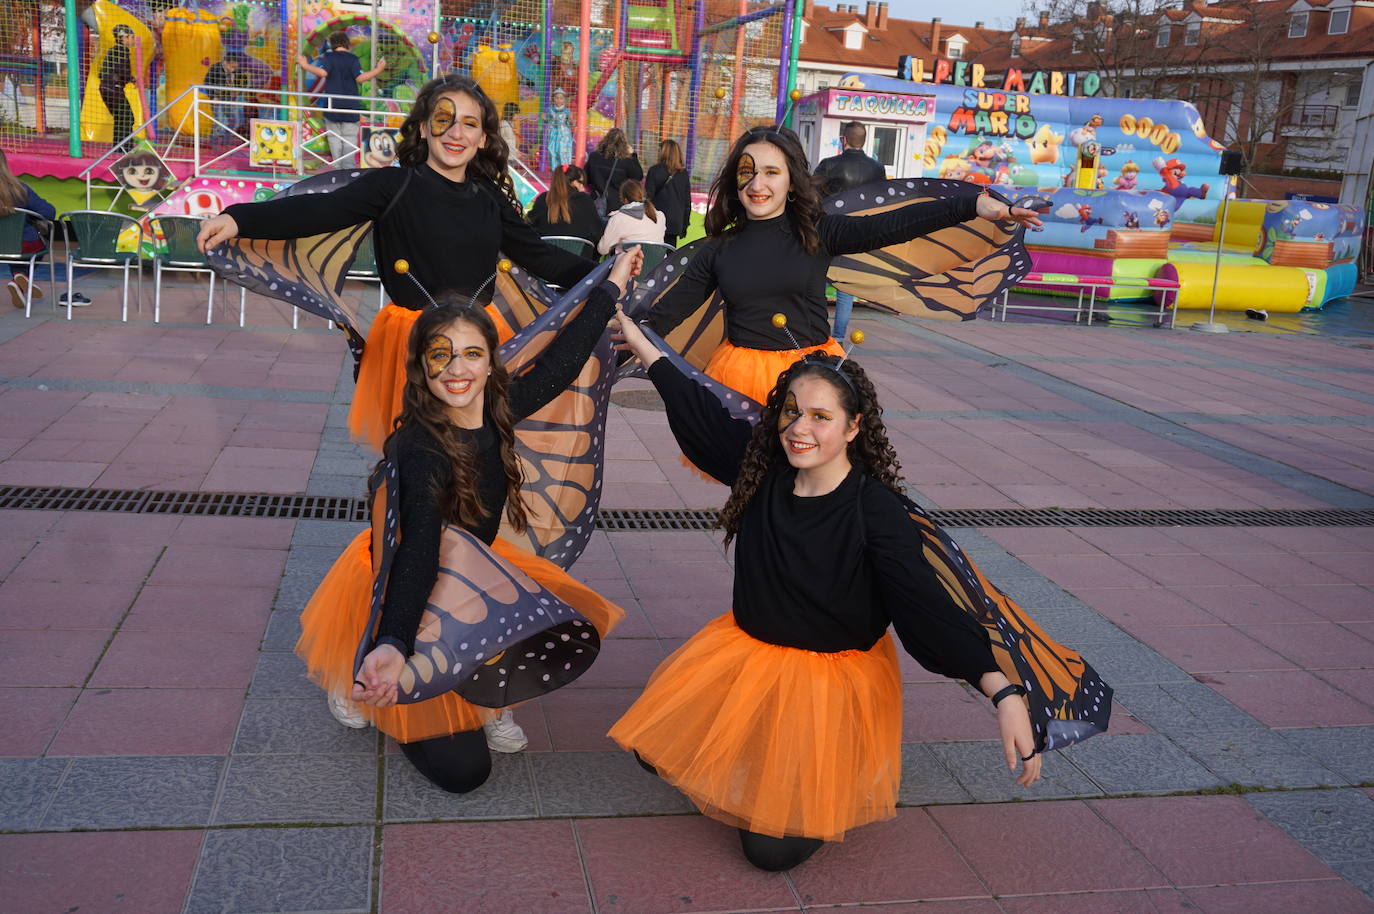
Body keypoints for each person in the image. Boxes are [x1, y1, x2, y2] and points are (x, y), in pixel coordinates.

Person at [608, 319, 1042, 870]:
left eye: (820, 417)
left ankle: (803, 758)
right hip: (749, 655)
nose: (799, 428)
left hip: (827, 680)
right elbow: (696, 407)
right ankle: (757, 740)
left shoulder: (876, 511)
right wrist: (644, 342)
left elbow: (925, 610)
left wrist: (1001, 692)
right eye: (792, 411)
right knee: (657, 752)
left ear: (854, 427)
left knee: (767, 851)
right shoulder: (762, 471)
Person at [299, 251, 638, 783]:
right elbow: (418, 553)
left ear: (490, 362)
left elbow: (563, 361)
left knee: (513, 607)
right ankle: (363, 677)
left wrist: (612, 286)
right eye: (441, 355)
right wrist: (394, 642)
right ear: (422, 365)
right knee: (465, 774)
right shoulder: (420, 446)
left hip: (472, 562)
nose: (457, 370)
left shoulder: (498, 407)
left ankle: (482, 698)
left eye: (471, 355)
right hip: (407, 578)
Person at [197, 74, 599, 453]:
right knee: (419, 461)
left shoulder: (489, 199)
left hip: (478, 344)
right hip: (412, 343)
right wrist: (239, 218)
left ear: (482, 138)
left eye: (470, 124)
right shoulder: (393, 187)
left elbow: (541, 257)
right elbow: (317, 211)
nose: (457, 133)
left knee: (478, 456)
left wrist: (606, 274)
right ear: (423, 128)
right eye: (445, 120)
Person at [642, 126, 1042, 407]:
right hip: (740, 379)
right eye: (747, 173)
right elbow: (668, 311)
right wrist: (614, 326)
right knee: (750, 492)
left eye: (771, 172)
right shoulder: (717, 250)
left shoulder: (818, 233)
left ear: (792, 181)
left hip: (812, 379)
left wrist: (973, 205)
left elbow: (895, 225)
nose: (757, 184)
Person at [812, 121, 886, 341]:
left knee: (817, 279)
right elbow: (881, 201)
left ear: (844, 140)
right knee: (846, 287)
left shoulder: (828, 164)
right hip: (858, 231)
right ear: (864, 141)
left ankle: (814, 333)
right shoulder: (877, 168)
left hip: (828, 229)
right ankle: (839, 339)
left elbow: (812, 195)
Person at [296, 32, 386, 167]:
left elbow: (323, 73)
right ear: (347, 45)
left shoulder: (328, 57)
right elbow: (360, 78)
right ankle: (348, 167)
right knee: (349, 137)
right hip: (350, 105)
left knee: (334, 137)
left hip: (333, 104)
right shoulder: (353, 59)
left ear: (332, 45)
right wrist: (378, 70)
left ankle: (337, 167)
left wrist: (305, 65)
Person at [0, 149, 57, 310]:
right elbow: (49, 211)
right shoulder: (19, 188)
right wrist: (28, 216)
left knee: (9, 245)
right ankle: (21, 276)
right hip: (23, 242)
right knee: (39, 243)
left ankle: (19, 277)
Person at [526, 163, 603, 245]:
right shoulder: (584, 200)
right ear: (573, 182)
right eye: (581, 182)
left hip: (547, 254)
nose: (583, 187)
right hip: (579, 255)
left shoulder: (544, 199)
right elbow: (597, 232)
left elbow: (529, 226)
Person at [597, 179, 666, 255]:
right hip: (657, 264)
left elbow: (602, 250)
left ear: (625, 200)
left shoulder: (618, 219)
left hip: (629, 264)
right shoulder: (660, 216)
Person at [644, 138, 691, 247]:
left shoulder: (654, 170)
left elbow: (648, 197)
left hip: (656, 219)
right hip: (675, 222)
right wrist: (685, 225)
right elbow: (687, 203)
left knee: (655, 255)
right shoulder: (683, 174)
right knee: (670, 257)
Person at [585, 127, 642, 213]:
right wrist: (633, 156)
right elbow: (638, 177)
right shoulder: (626, 161)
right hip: (617, 203)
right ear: (624, 144)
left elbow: (586, 178)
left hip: (597, 200)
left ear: (605, 140)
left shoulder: (594, 156)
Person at [98, 24, 137, 150]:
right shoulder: (122, 50)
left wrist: (129, 78)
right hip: (113, 88)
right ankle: (124, 147)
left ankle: (118, 147)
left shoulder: (114, 50)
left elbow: (107, 71)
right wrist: (130, 78)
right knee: (127, 117)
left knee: (120, 117)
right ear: (124, 38)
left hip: (106, 88)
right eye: (131, 37)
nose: (133, 39)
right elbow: (122, 71)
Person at [204, 53, 245, 145]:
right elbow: (207, 83)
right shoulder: (215, 69)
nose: (233, 69)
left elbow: (242, 82)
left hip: (228, 99)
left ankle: (226, 141)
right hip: (217, 98)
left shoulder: (235, 72)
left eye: (235, 67)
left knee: (233, 120)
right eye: (232, 67)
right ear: (225, 63)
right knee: (218, 121)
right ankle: (213, 142)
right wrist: (213, 96)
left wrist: (238, 91)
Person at [541, 88, 574, 170]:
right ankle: (554, 171)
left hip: (564, 134)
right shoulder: (550, 109)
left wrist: (570, 121)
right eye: (557, 98)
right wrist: (545, 119)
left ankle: (565, 171)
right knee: (552, 151)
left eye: (561, 98)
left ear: (564, 100)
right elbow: (548, 120)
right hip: (553, 133)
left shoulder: (567, 110)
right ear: (553, 99)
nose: (559, 100)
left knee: (563, 152)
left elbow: (571, 124)